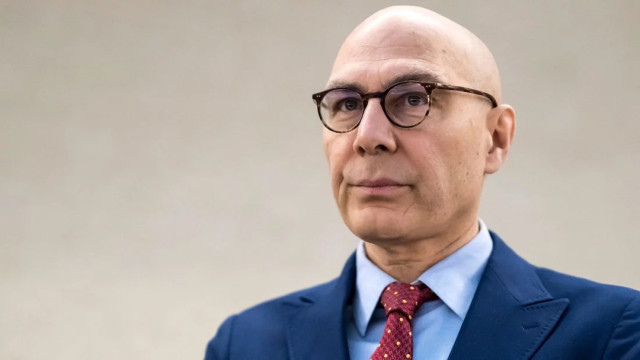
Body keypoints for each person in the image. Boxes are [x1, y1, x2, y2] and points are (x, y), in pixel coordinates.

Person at [205, 6, 640, 360]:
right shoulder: (243, 345)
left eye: (413, 98)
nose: (368, 136)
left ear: (496, 138)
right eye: (347, 104)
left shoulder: (611, 334)